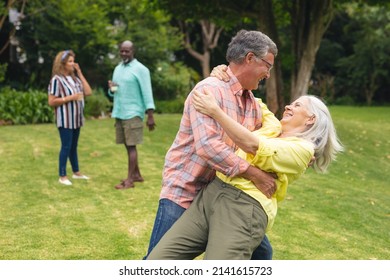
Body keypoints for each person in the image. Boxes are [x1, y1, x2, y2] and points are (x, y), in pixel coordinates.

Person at [147, 91, 344, 260]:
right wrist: (224, 70)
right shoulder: (273, 126)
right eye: (291, 103)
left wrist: (215, 111)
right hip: (211, 194)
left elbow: (252, 145)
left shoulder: (303, 150)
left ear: (311, 119)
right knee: (158, 261)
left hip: (244, 207)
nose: (288, 106)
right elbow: (249, 95)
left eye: (297, 104)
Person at [144, 30, 280, 260]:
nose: (268, 74)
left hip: (222, 196)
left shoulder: (253, 104)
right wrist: (253, 174)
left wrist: (303, 146)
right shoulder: (209, 91)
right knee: (158, 264)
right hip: (186, 190)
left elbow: (266, 138)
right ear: (249, 58)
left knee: (262, 255)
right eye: (267, 66)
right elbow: (208, 146)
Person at [108, 40, 156, 190]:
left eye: (127, 51)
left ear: (133, 51)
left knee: (131, 146)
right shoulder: (117, 69)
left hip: (133, 112)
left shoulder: (141, 69)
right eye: (121, 51)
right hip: (120, 112)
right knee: (127, 145)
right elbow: (114, 92)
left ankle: (129, 181)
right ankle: (136, 175)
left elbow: (147, 92)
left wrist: (150, 115)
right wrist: (111, 89)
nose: (123, 53)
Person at [48, 50, 92, 186]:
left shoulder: (75, 79)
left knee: (74, 146)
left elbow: (88, 92)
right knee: (66, 146)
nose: (73, 64)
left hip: (76, 118)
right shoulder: (56, 80)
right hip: (65, 119)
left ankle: (76, 172)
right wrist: (70, 98)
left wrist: (79, 73)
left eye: (73, 61)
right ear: (62, 64)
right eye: (70, 62)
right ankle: (62, 176)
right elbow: (51, 101)